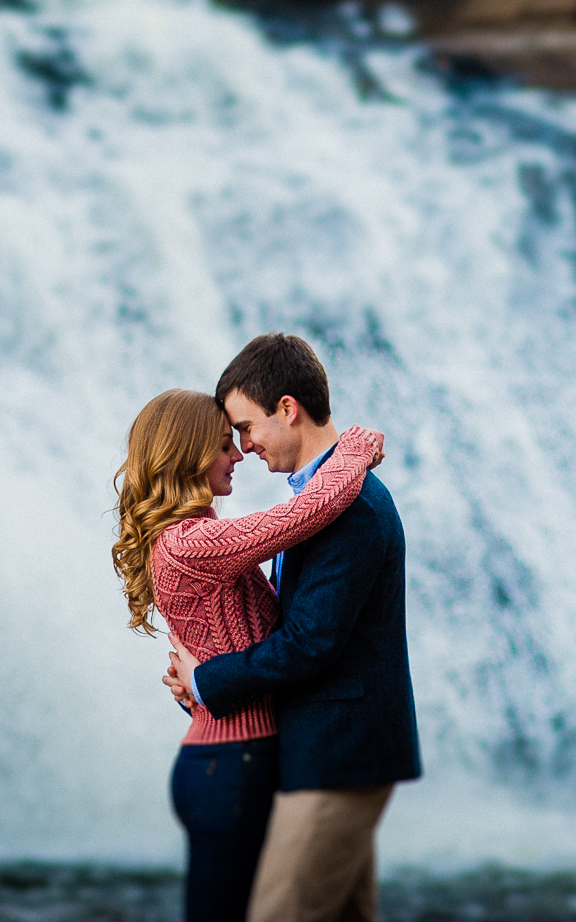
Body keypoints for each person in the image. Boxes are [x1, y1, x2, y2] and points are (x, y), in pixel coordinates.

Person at [166, 333, 422, 922]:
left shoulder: (346, 504)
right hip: (331, 751)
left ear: (288, 408)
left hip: (338, 755)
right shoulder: (324, 499)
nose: (244, 446)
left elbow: (311, 641)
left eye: (246, 427)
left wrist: (209, 682)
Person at [113, 386, 384, 922]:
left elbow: (224, 653)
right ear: (185, 454)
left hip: (227, 760)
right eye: (222, 445)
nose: (237, 455)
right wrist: (355, 446)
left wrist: (199, 686)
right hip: (233, 767)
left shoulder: (193, 538)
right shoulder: (192, 542)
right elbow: (307, 512)